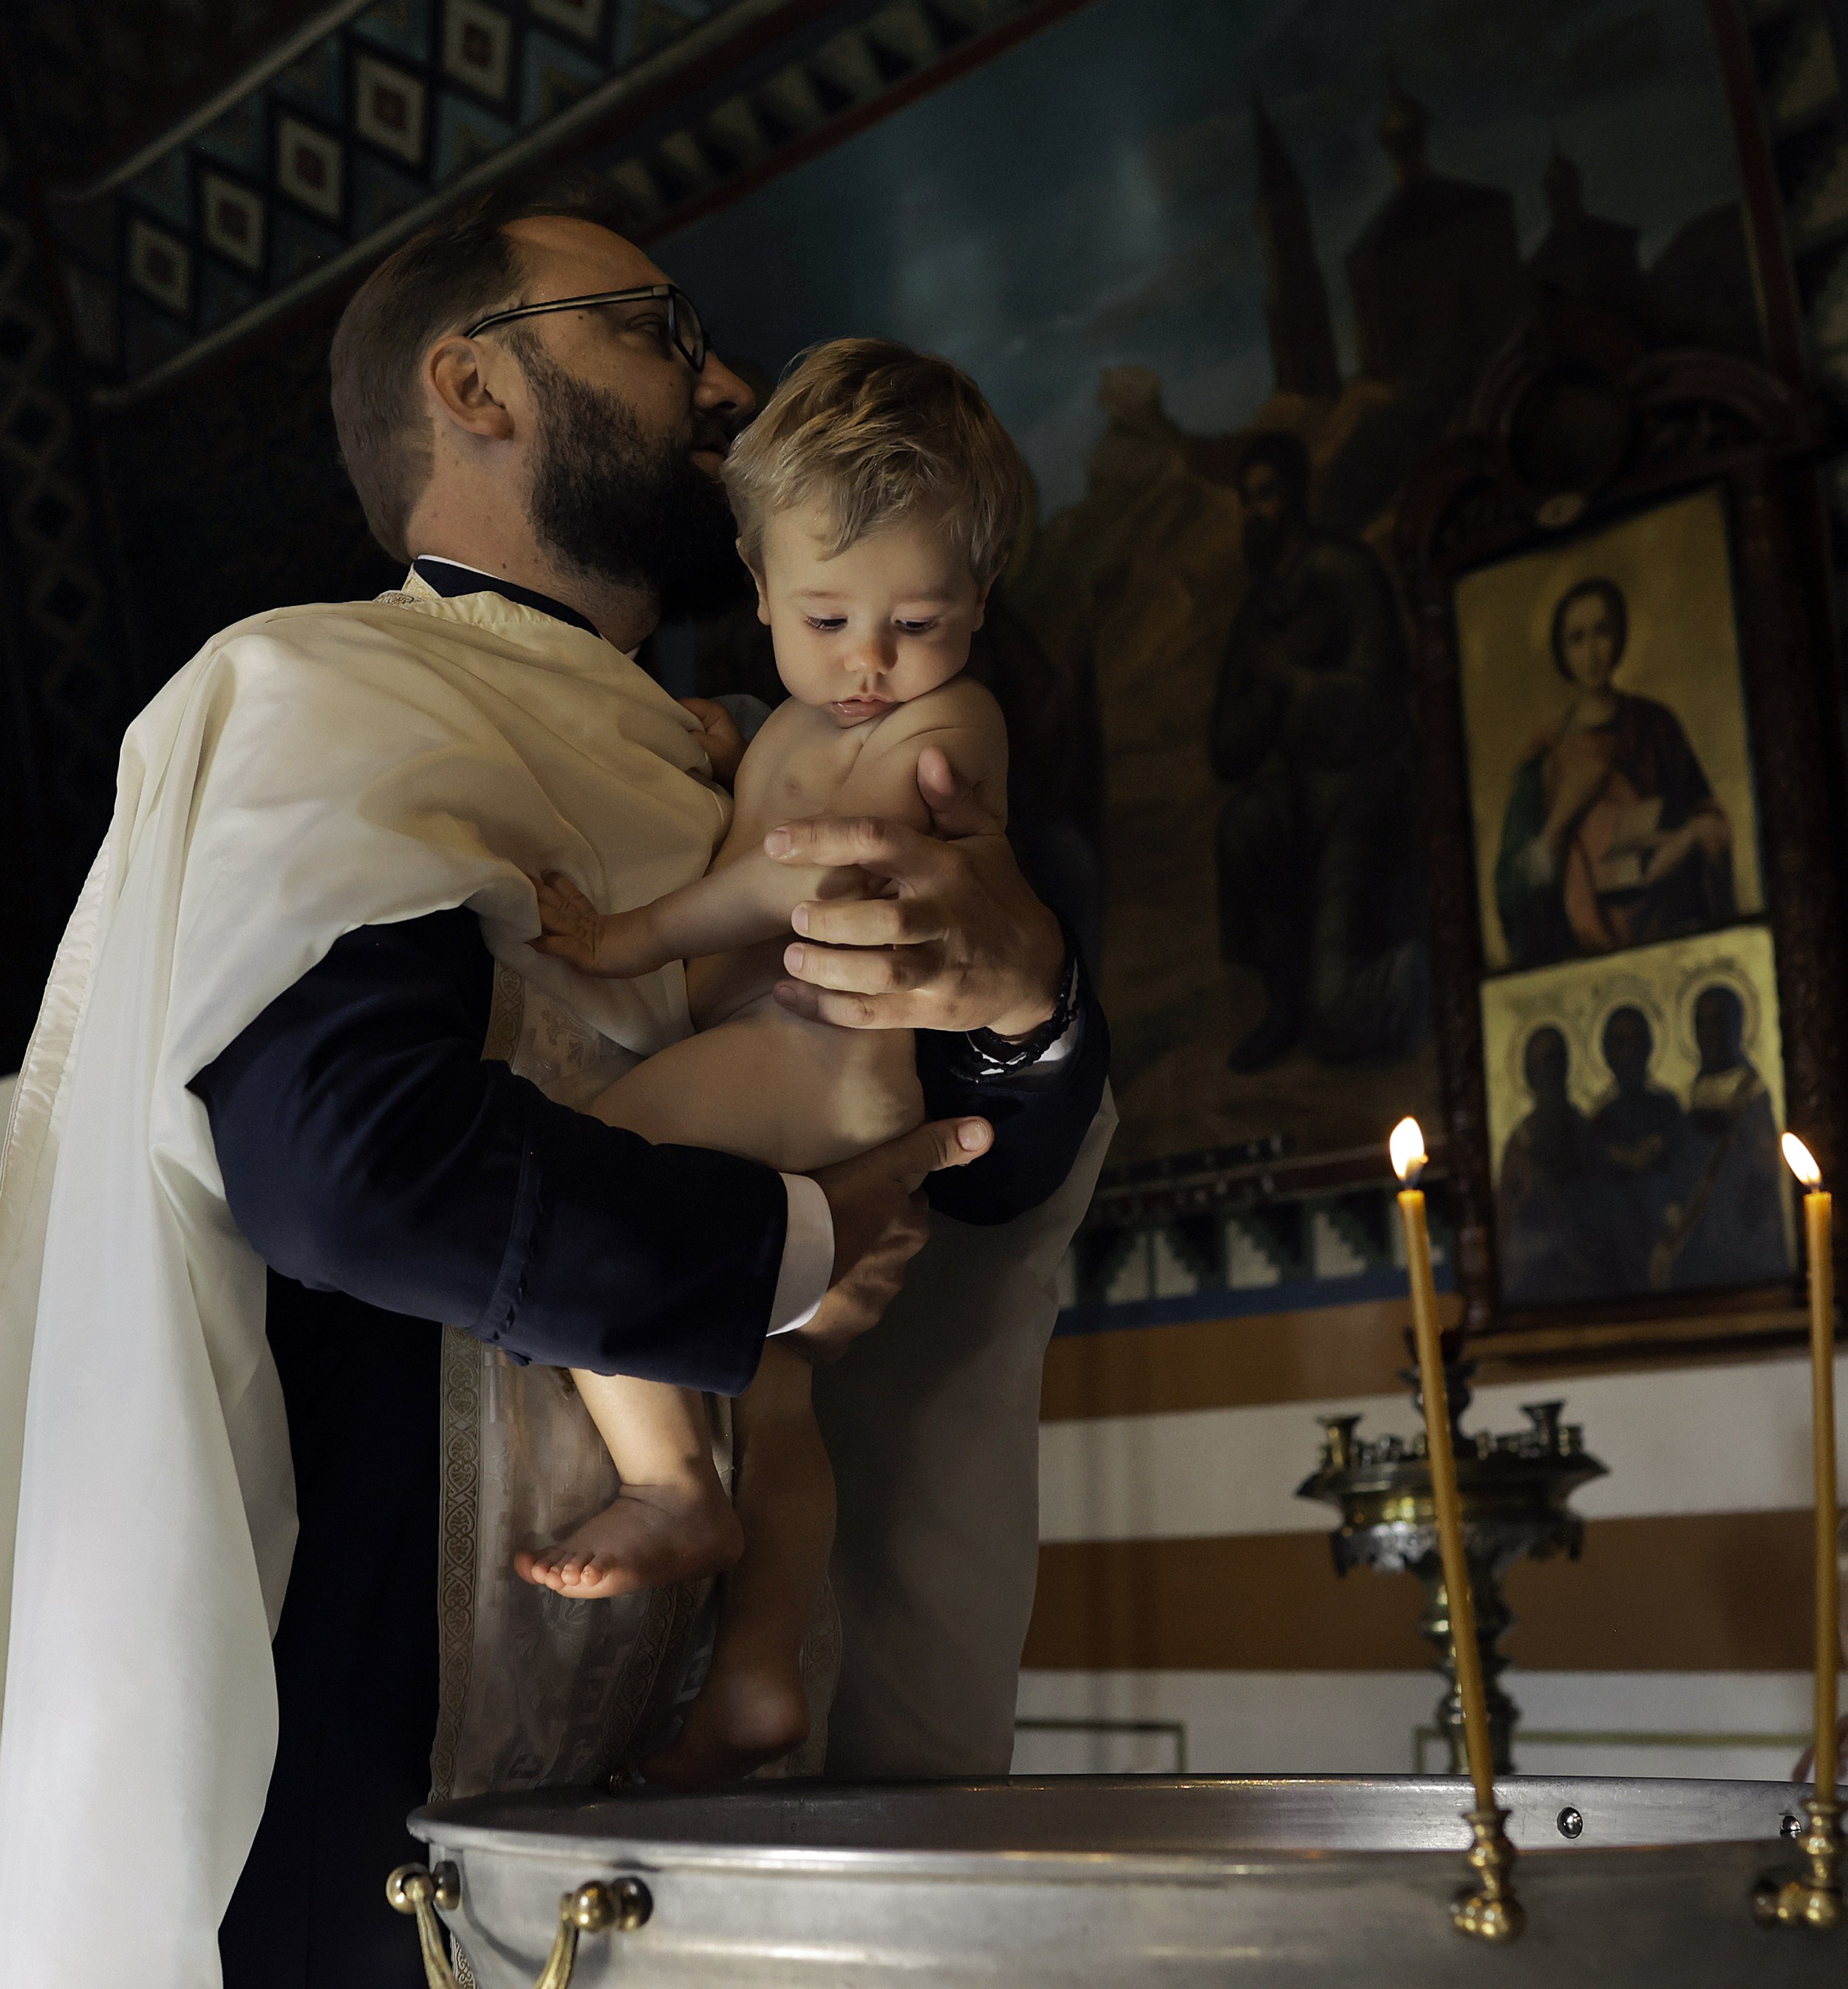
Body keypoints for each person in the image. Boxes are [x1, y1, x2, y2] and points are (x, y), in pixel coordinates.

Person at [0, 171, 1111, 1989]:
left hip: (702, 1810)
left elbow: (970, 1178)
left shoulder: (756, 760)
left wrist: (1028, 1011)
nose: (726, 381)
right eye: (661, 332)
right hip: (377, 1779)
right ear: (475, 384)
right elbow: (350, 1166)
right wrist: (784, 1244)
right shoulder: (324, 705)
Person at [514, 338, 1023, 1794]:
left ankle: (670, 1484)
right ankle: (755, 1676)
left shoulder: (950, 726)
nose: (870, 663)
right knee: (779, 1388)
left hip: (809, 1058)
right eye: (827, 618)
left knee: (585, 1189)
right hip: (795, 1067)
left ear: (979, 602)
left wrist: (625, 938)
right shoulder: (806, 721)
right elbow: (779, 794)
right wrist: (728, 748)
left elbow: (800, 871)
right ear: (755, 588)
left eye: (917, 621)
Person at [1207, 430, 1425, 1070]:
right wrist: (1269, 694)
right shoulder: (1257, 611)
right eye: (1245, 500)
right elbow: (1226, 748)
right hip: (1302, 792)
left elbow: (1379, 698)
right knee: (1244, 822)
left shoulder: (1343, 571)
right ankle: (1284, 1002)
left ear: (1296, 494)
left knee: (1339, 1012)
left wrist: (1294, 682)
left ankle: (1426, 970)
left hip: (1364, 792)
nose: (1254, 513)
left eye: (1266, 494)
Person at [1493, 576, 1733, 969]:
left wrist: (1685, 842)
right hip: (1580, 952)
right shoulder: (1544, 757)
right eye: (1577, 638)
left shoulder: (1657, 726)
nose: (1592, 652)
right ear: (1562, 652)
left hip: (1669, 933)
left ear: (1619, 637)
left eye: (1601, 633)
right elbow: (1513, 890)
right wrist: (1563, 816)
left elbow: (1709, 818)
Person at [1655, 983, 1787, 1292]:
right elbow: (1684, 1158)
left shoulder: (1750, 1089)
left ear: (1735, 1026)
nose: (1709, 1033)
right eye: (1701, 1023)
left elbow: (1763, 1163)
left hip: (1740, 1224)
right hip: (1699, 1225)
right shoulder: (1694, 1090)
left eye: (1717, 1021)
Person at [1496, 1024, 1621, 1306]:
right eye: (1540, 1064)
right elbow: (1508, 1216)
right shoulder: (1521, 1141)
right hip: (1538, 1272)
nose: (1548, 1071)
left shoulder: (1584, 1132)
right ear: (1530, 1074)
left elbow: (1603, 1202)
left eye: (1554, 1059)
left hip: (1589, 1270)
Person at [1586, 1005, 1688, 1297]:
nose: (1629, 1053)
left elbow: (1684, 1173)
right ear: (1607, 1054)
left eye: (1637, 1041)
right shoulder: (1600, 1121)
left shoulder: (1667, 1108)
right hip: (1618, 1251)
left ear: (1649, 1048)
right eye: (1620, 1043)